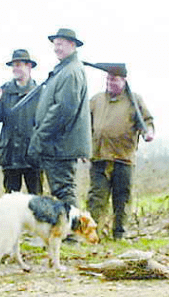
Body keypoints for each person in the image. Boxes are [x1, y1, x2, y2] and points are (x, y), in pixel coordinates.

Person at [86, 63, 154, 239]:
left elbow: (147, 121)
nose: (110, 82)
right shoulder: (96, 100)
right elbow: (85, 125)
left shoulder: (134, 100)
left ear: (123, 80)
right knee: (96, 198)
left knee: (122, 198)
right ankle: (93, 233)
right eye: (108, 79)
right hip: (99, 157)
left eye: (114, 79)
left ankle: (119, 233)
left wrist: (149, 132)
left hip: (123, 158)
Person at [27, 28, 90, 206]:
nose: (56, 48)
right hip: (58, 145)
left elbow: (63, 110)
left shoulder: (71, 72)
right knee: (61, 191)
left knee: (64, 191)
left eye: (60, 43)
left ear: (72, 45)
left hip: (61, 146)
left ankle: (73, 232)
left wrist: (40, 136)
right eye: (55, 44)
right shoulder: (65, 70)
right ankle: (69, 231)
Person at [0, 49, 41, 194]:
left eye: (19, 65)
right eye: (13, 65)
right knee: (10, 199)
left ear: (29, 66)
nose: (15, 69)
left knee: (35, 199)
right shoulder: (3, 91)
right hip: (10, 156)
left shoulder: (40, 93)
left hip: (32, 157)